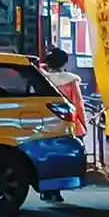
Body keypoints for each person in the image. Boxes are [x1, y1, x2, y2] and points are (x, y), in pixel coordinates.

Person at [38, 49, 87, 203]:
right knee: (61, 157)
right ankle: (56, 190)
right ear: (65, 63)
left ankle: (46, 189)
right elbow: (78, 105)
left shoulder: (40, 78)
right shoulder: (70, 81)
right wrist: (82, 124)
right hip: (65, 123)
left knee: (46, 156)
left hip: (44, 122)